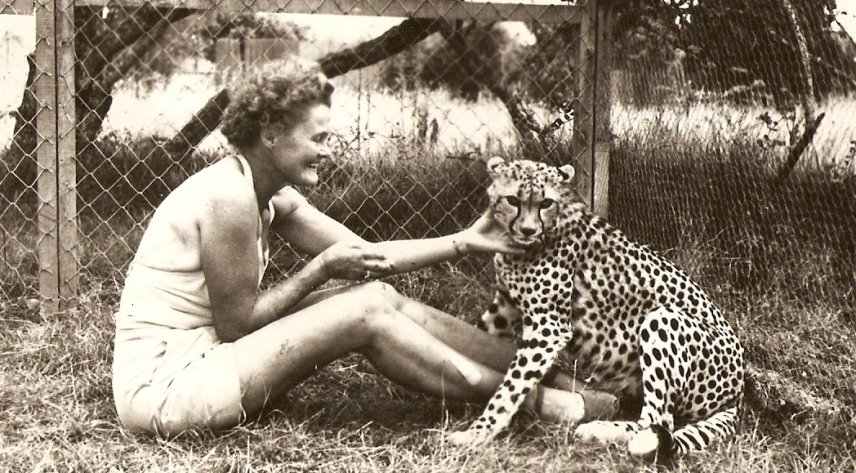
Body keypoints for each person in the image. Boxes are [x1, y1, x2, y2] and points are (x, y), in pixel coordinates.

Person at [111, 58, 616, 437]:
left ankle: (562, 376)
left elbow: (370, 256)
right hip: (168, 388)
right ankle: (541, 403)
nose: (328, 151)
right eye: (318, 138)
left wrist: (465, 241)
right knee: (363, 314)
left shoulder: (269, 194)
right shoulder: (228, 197)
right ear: (271, 133)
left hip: (209, 358)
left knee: (377, 297)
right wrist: (321, 269)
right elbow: (238, 325)